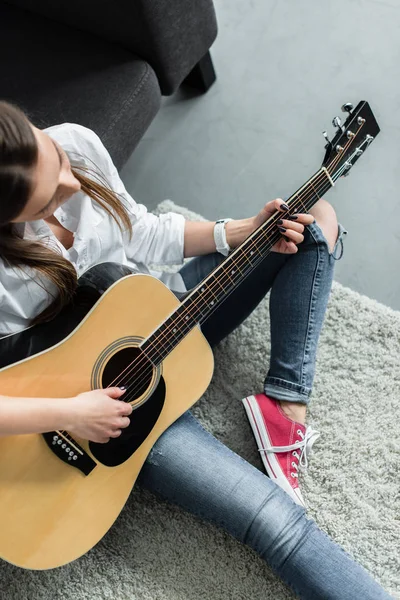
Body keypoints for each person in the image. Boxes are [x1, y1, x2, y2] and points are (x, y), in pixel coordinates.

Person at [0, 100, 391, 599]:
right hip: (107, 416)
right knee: (276, 523)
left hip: (159, 312)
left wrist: (240, 232)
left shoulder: (76, 142)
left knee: (314, 221)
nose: (72, 185)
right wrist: (74, 413)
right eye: (45, 203)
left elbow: (140, 231)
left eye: (54, 158)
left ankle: (284, 403)